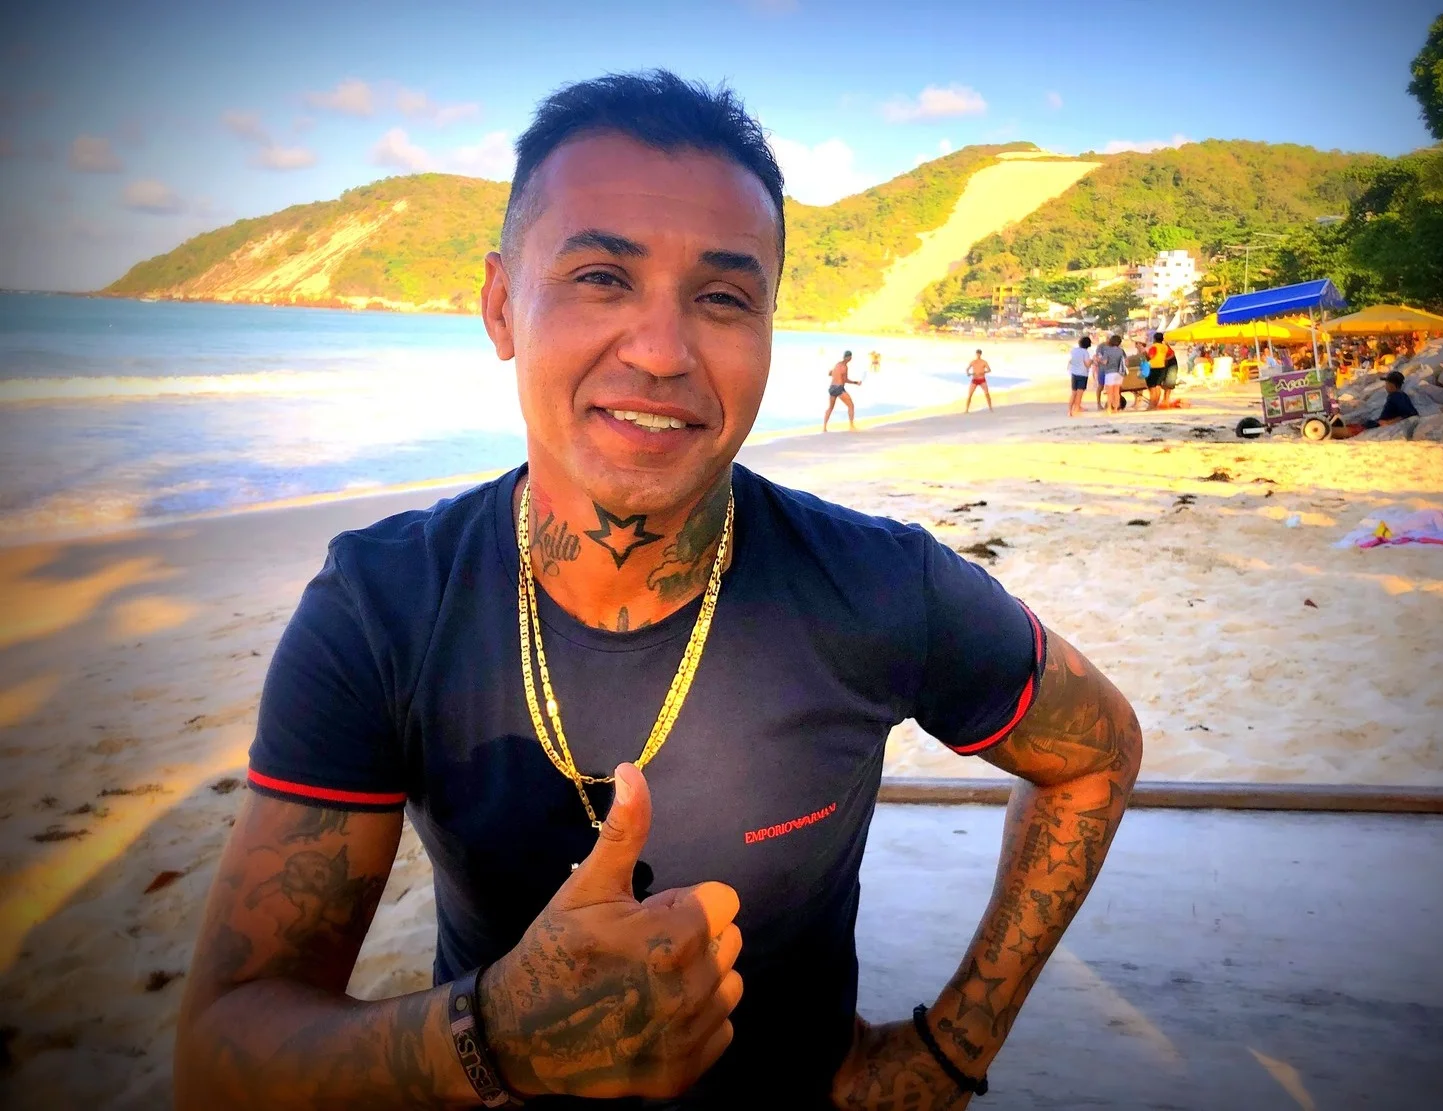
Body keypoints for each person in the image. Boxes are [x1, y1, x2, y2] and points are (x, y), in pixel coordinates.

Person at [173, 71, 1140, 1111]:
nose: (662, 352)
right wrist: (490, 1037)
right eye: (600, 276)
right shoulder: (381, 607)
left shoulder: (880, 587)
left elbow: (1095, 755)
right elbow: (223, 1056)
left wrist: (953, 1046)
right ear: (501, 305)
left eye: (722, 298)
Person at [1330, 369, 1419, 438]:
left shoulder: (1397, 396)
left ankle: (1327, 431)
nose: (1385, 386)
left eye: (1386, 383)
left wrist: (1388, 422)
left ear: (1391, 385)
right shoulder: (1399, 395)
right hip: (1376, 424)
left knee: (1349, 430)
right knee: (1352, 426)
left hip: (1377, 426)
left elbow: (1410, 413)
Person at [824, 350, 860, 431]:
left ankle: (824, 428)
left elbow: (830, 373)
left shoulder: (837, 364)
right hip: (839, 388)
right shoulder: (845, 367)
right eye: (850, 357)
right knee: (851, 405)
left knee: (830, 408)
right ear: (849, 358)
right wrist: (856, 382)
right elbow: (845, 380)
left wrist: (835, 374)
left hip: (832, 388)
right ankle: (851, 426)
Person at [1095, 333, 1128, 414]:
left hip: (1110, 373)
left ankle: (1109, 408)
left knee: (1110, 392)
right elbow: (1126, 362)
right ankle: (1116, 408)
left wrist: (1099, 360)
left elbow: (1105, 362)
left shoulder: (1108, 351)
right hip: (1119, 373)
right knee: (1116, 392)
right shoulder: (1121, 351)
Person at [1144, 331, 1176, 409]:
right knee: (1157, 386)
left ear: (1154, 339)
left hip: (1153, 367)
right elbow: (1172, 354)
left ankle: (1151, 405)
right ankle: (1155, 405)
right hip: (1162, 367)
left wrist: (1145, 355)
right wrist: (1165, 359)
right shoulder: (1165, 347)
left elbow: (1150, 356)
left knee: (1152, 387)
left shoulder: (1153, 347)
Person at [1066, 335, 1093, 416]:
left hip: (1074, 373)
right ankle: (1077, 408)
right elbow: (1087, 364)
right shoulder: (1085, 352)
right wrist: (1092, 361)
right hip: (1082, 374)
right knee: (1079, 393)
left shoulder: (1074, 350)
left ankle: (1070, 410)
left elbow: (1071, 360)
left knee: (1073, 393)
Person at [965, 348, 992, 413]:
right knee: (970, 394)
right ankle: (966, 410)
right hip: (974, 380)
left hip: (982, 379)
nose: (978, 355)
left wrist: (984, 372)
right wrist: (968, 373)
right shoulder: (973, 361)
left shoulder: (984, 362)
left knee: (987, 394)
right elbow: (967, 369)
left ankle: (990, 408)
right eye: (977, 353)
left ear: (980, 354)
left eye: (979, 353)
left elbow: (989, 370)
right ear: (976, 354)